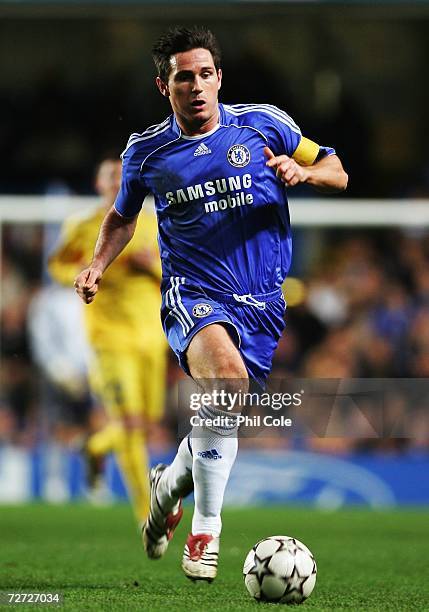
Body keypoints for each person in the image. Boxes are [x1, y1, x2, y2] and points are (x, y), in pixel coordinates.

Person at [74, 26, 348, 581]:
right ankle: (207, 531)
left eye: (204, 74)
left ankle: (170, 482)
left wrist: (306, 171)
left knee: (225, 407)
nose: (196, 86)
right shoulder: (148, 153)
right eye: (183, 77)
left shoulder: (263, 123)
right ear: (164, 86)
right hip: (193, 295)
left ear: (219, 78)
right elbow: (123, 216)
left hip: (264, 303)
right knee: (225, 380)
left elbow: (338, 170)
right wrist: (98, 265)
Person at [49, 158, 167, 526]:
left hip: (152, 337)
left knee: (148, 423)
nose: (118, 182)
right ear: (98, 185)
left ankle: (95, 447)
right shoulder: (83, 227)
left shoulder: (156, 224)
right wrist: (85, 270)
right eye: (110, 177)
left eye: (123, 176)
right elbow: (59, 267)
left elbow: (175, 272)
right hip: (109, 340)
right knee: (130, 424)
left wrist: (150, 266)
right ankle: (148, 514)